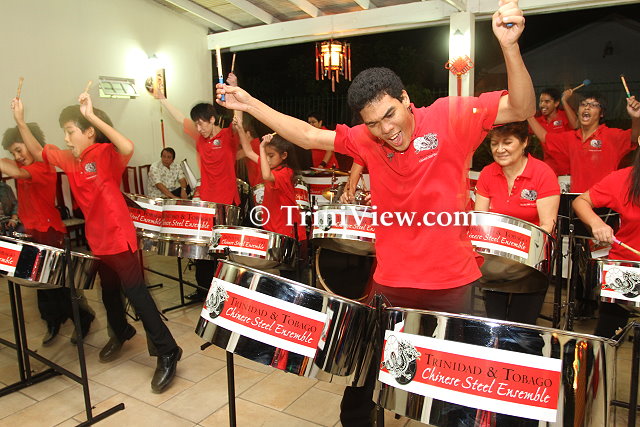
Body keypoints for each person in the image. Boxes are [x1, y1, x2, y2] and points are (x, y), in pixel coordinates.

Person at [215, 1, 534, 424]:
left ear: (406, 99)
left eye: (390, 114)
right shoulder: (366, 140)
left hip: (452, 282)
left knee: (462, 396)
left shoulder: (451, 116)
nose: (387, 130)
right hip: (391, 282)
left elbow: (521, 108)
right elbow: (308, 134)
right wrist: (250, 104)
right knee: (360, 394)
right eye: (374, 123)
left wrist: (509, 47)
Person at [15, 92, 181, 393]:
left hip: (119, 237)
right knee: (108, 293)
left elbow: (127, 146)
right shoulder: (70, 159)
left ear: (89, 132)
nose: (66, 138)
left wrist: (91, 115)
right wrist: (20, 121)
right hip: (98, 240)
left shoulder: (105, 154)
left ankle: (167, 350)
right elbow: (39, 152)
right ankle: (121, 331)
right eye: (64, 132)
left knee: (138, 296)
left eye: (70, 131)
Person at [2, 119, 95, 346]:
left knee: (60, 283)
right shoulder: (22, 165)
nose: (17, 156)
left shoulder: (43, 166)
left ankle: (83, 318)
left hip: (50, 232)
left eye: (19, 149)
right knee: (38, 283)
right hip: (30, 231)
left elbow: (16, 172)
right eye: (13, 152)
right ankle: (52, 320)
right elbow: (9, 165)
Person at [155, 73, 240, 302]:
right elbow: (179, 118)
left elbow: (238, 120)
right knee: (203, 250)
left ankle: (223, 294)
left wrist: (233, 88)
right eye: (196, 124)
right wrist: (162, 98)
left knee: (222, 251)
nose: (199, 128)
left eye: (202, 123)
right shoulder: (200, 138)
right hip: (206, 203)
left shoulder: (227, 136)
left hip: (226, 202)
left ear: (212, 119)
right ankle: (203, 291)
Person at [474, 121, 560, 324]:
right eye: (494, 143)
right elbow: (480, 221)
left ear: (524, 142)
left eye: (507, 142)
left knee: (522, 327)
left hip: (529, 265)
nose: (499, 149)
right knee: (495, 323)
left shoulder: (542, 173)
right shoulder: (487, 173)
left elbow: (547, 226)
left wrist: (518, 249)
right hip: (495, 265)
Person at [572, 136, 640, 338]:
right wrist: (597, 223)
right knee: (606, 338)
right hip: (625, 268)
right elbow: (581, 202)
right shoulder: (624, 179)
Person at [528, 92, 640, 193]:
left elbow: (634, 137)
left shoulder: (611, 135)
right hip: (578, 201)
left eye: (594, 105)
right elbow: (545, 137)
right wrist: (527, 114)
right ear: (578, 111)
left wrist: (636, 118)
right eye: (583, 104)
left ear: (601, 113)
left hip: (606, 201)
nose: (587, 107)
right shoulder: (570, 138)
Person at [237, 128, 307, 241]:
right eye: (265, 156)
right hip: (272, 227)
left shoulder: (286, 172)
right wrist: (240, 128)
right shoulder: (270, 166)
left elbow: (266, 175)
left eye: (271, 155)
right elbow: (248, 152)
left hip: (286, 231)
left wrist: (261, 147)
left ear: (284, 155)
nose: (267, 160)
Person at [531, 87, 577, 175]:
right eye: (541, 101)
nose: (542, 105)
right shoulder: (538, 121)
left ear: (556, 103)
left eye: (547, 101)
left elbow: (575, 125)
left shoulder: (564, 115)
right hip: (549, 170)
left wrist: (564, 101)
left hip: (569, 170)